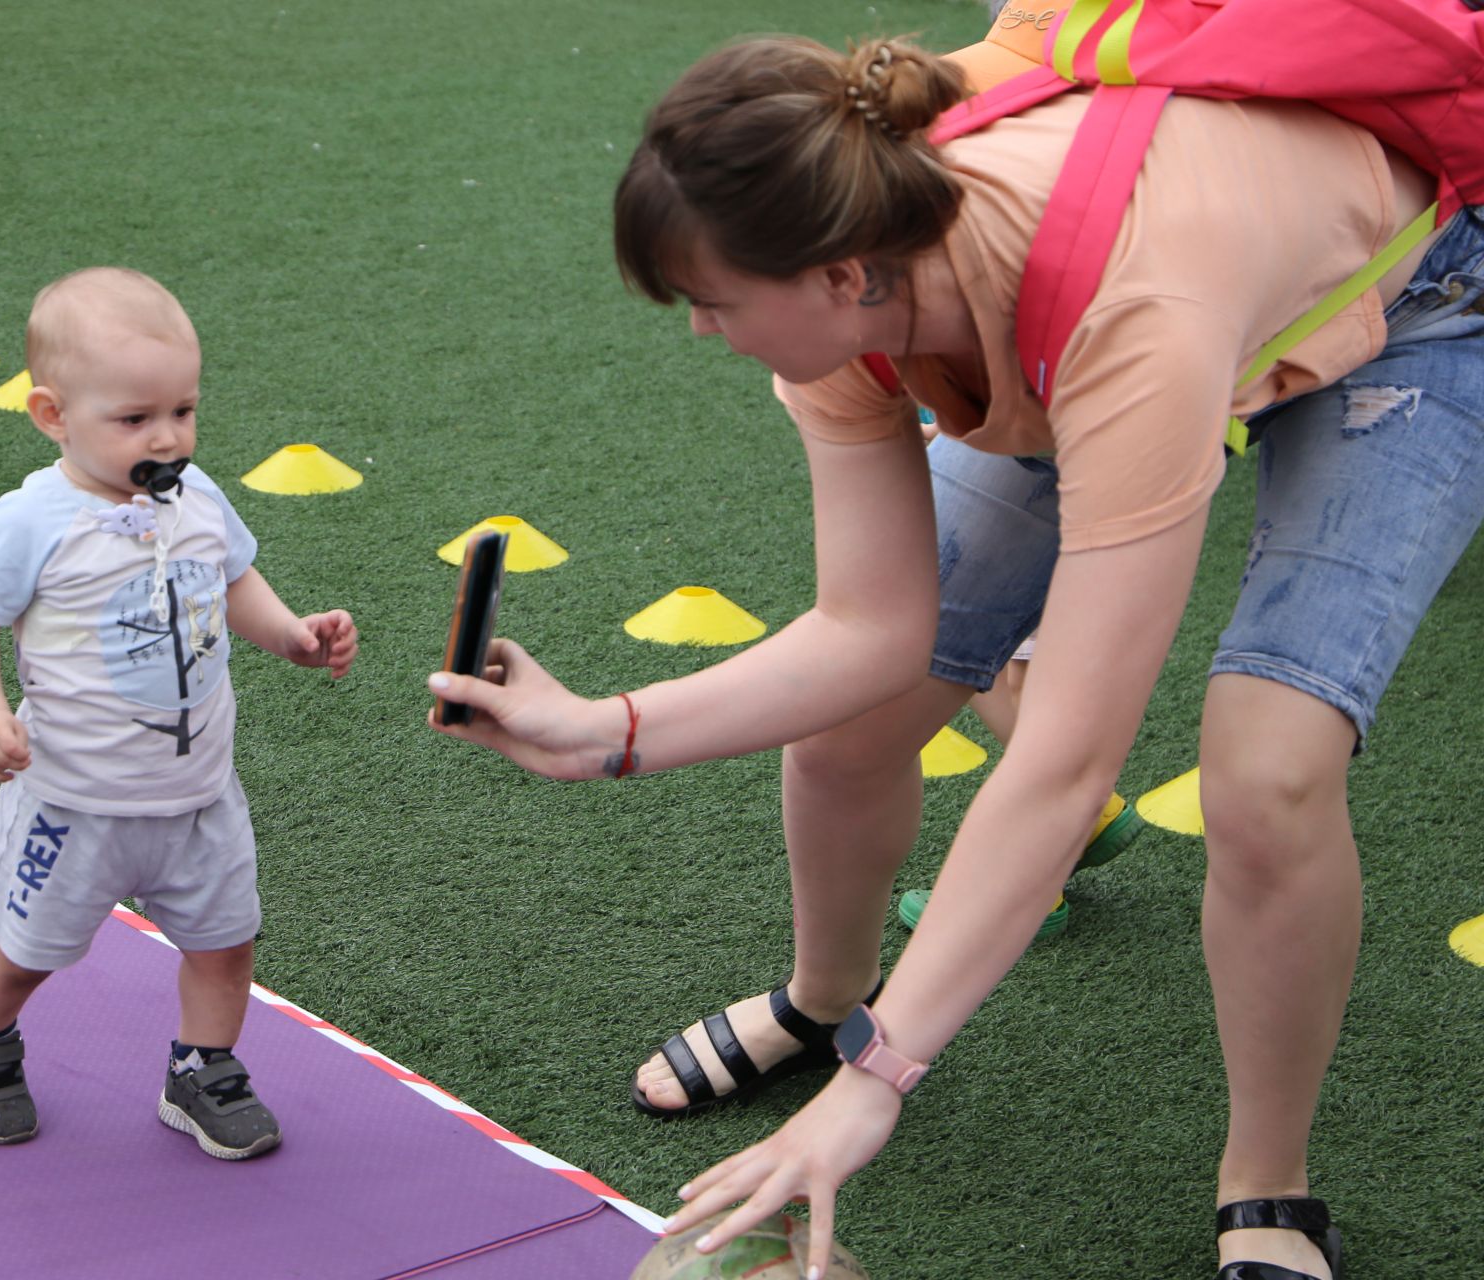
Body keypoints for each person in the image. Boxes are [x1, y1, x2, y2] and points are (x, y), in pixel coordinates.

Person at [424, 19, 1484, 1280]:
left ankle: (1267, 1179)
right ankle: (823, 996)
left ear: (838, 277)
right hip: (1077, 313)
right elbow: (870, 631)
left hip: (1409, 307)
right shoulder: (851, 269)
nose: (702, 333)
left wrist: (880, 1085)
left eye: (714, 305)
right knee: (853, 724)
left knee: (1269, 772)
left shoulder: (1131, 315)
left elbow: (1065, 762)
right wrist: (611, 728)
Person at [0, 266, 358, 1159]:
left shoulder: (195, 498)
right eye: (134, 420)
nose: (169, 437)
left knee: (226, 945)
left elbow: (231, 577)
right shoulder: (34, 520)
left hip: (197, 796)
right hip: (73, 800)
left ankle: (204, 1069)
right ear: (53, 415)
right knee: (25, 950)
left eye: (184, 411)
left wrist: (290, 635)